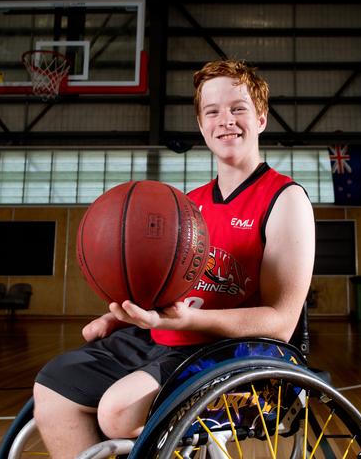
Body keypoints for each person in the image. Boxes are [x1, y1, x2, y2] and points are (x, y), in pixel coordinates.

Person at [32, 59, 316, 458]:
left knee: (117, 411)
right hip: (168, 340)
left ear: (262, 118)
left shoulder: (284, 199)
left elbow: (281, 324)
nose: (226, 120)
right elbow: (170, 289)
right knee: (54, 386)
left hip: (236, 352)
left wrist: (190, 319)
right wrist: (127, 312)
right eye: (212, 111)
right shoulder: (186, 207)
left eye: (238, 108)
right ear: (202, 126)